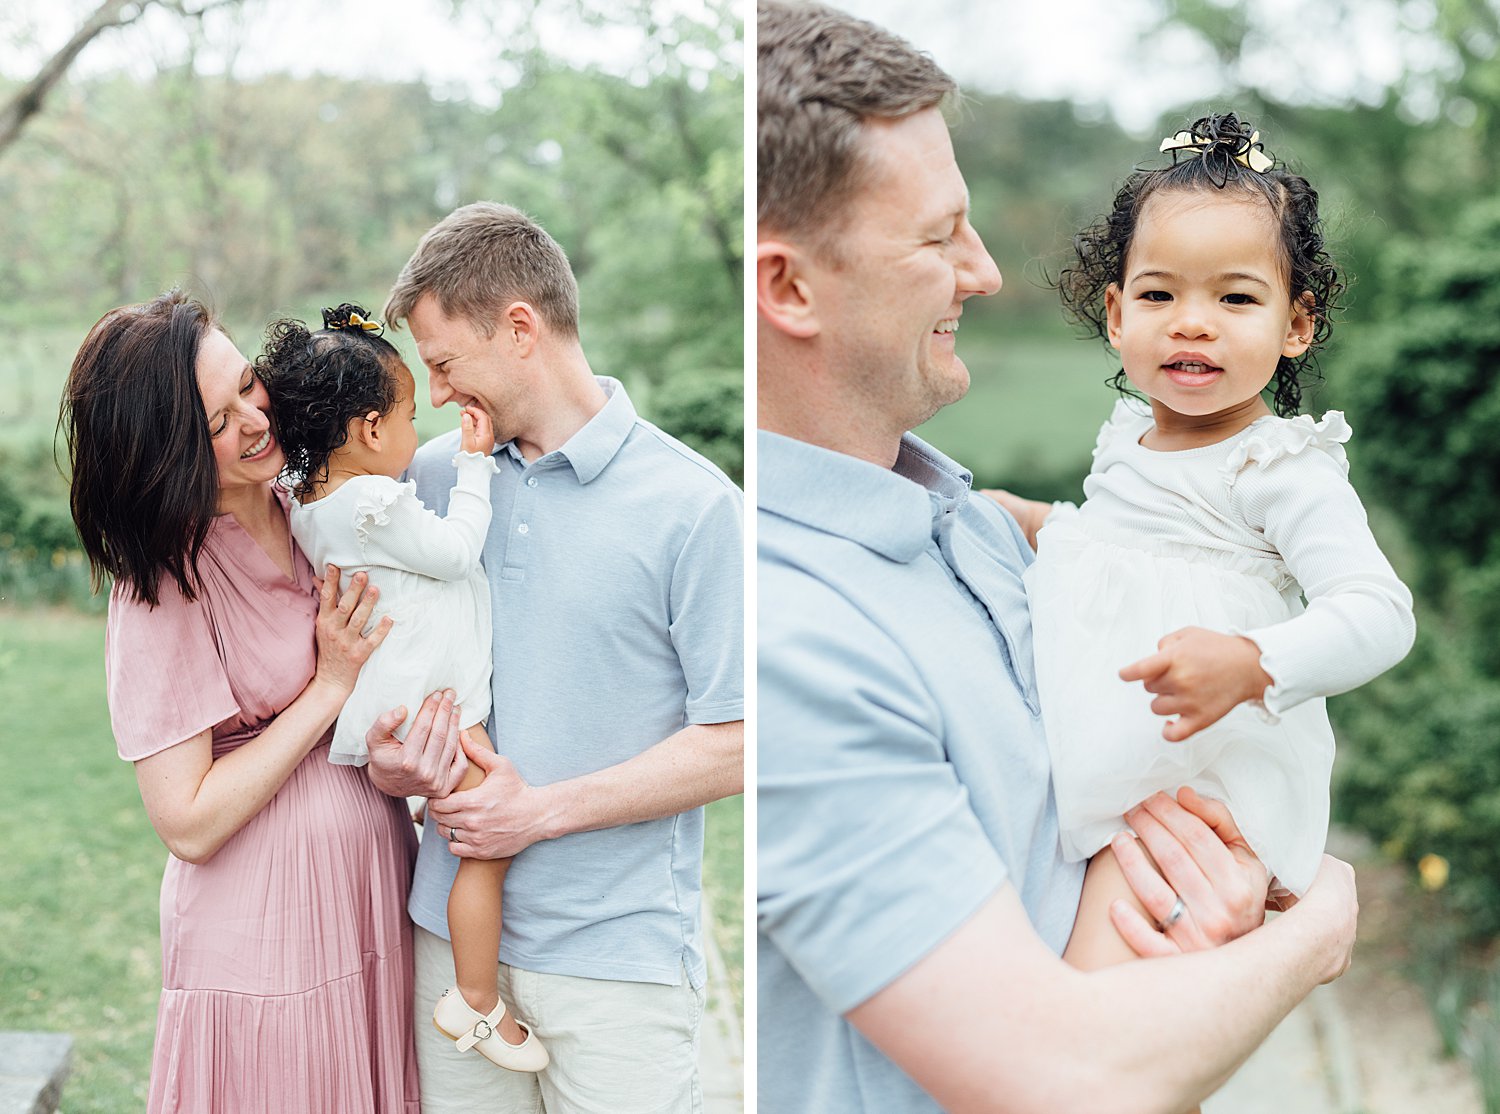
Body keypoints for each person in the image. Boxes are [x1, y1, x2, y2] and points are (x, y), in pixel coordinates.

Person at [756, 5, 1360, 1113]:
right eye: (941, 237)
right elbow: (1061, 1082)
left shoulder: (977, 528)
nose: (986, 273)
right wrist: (1316, 931)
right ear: (790, 287)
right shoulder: (790, 638)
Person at [992, 115, 1414, 970]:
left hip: (1196, 806)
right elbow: (1122, 552)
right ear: (1115, 315)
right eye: (1159, 295)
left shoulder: (1279, 467)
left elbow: (1380, 613)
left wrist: (1255, 662)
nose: (1192, 323)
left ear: (1296, 324)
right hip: (1103, 793)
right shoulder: (1125, 443)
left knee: (1101, 1021)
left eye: (1234, 297)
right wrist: (1035, 522)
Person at [360, 201, 745, 1113]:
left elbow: (739, 739)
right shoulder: (432, 485)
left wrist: (535, 814)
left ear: (521, 329)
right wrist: (389, 759)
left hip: (618, 966)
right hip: (448, 950)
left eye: (446, 364)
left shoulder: (694, 507)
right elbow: (390, 660)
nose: (440, 394)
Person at [62, 291, 420, 1113]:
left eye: (247, 386)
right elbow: (186, 820)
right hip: (266, 940)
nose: (255, 422)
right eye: (216, 424)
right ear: (169, 451)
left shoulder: (310, 497)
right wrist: (330, 686)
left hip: (371, 897)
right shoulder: (162, 581)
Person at [259, 303, 547, 1071]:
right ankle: (476, 1000)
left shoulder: (313, 501)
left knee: (462, 829)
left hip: (406, 695)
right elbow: (454, 553)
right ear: (368, 431)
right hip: (433, 705)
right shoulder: (371, 503)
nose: (423, 436)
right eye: (412, 416)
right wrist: (477, 464)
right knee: (487, 834)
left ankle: (473, 990)